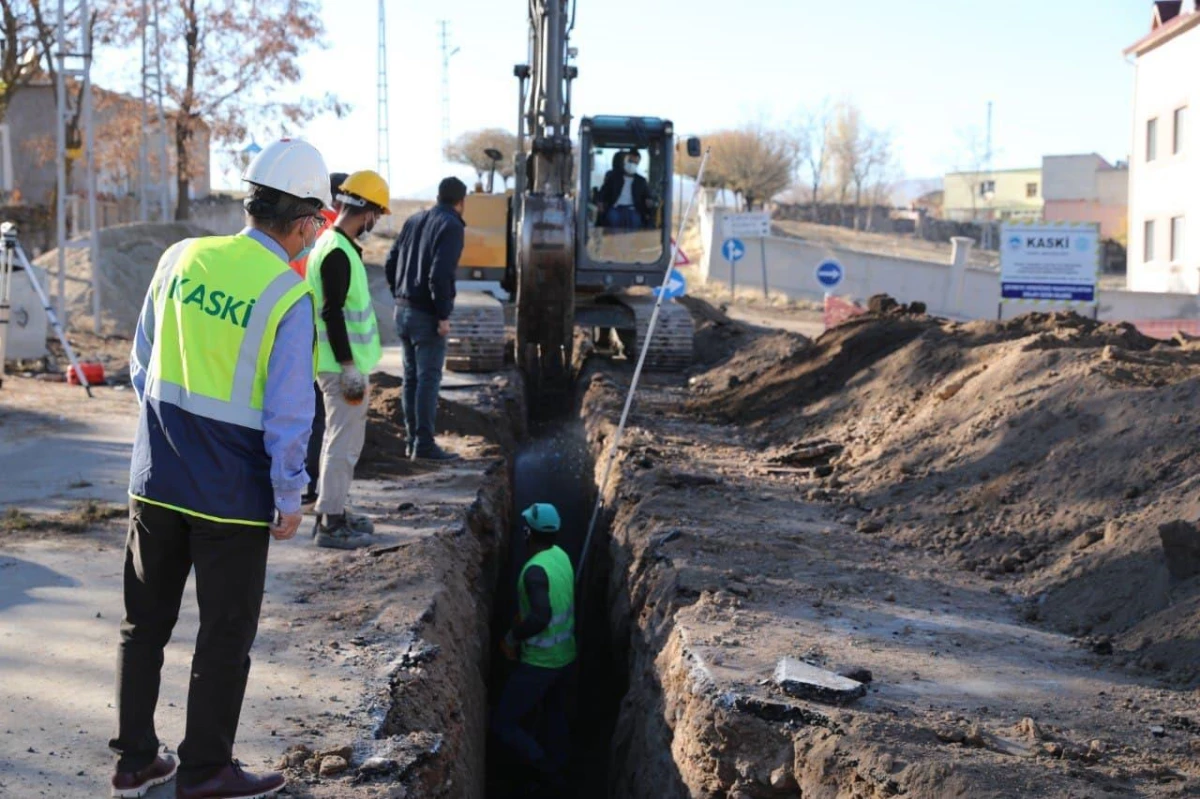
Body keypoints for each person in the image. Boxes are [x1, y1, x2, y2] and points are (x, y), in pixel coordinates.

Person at [110, 137, 329, 799]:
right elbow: (291, 409)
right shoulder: (287, 294)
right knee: (224, 634)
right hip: (232, 497)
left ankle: (135, 759)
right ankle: (205, 768)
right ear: (303, 223)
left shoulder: (181, 257)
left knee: (143, 624)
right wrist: (290, 491)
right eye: (316, 227)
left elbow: (139, 366)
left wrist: (167, 435)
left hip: (155, 481)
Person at [307, 169, 390, 548]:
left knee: (338, 440)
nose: (375, 222)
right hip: (341, 368)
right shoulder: (337, 251)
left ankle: (332, 509)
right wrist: (348, 367)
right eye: (377, 214)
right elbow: (332, 312)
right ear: (368, 212)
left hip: (338, 364)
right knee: (342, 443)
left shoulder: (332, 244)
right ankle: (330, 523)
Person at [491, 503, 576, 794]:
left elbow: (541, 616)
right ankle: (560, 771)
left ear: (528, 532)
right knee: (554, 716)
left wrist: (513, 638)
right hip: (565, 657)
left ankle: (545, 770)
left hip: (540, 663)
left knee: (503, 724)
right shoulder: (561, 556)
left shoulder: (534, 571)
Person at [384, 176, 467, 462]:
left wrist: (400, 294)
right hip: (426, 315)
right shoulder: (452, 226)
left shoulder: (414, 220)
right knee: (428, 380)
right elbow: (440, 275)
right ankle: (424, 445)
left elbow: (390, 261)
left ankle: (412, 443)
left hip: (402, 310)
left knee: (411, 379)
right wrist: (443, 315)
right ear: (461, 202)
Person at [291, 171, 347, 512]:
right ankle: (311, 489)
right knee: (317, 419)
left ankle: (299, 486)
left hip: (293, 320)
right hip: (314, 332)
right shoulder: (329, 231)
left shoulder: (301, 223)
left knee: (297, 412)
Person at [597, 149, 651, 230]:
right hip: (616, 208)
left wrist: (649, 202)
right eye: (630, 161)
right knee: (613, 218)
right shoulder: (614, 177)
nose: (632, 164)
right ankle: (612, 241)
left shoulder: (641, 181)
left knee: (635, 220)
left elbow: (647, 196)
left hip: (633, 209)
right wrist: (600, 202)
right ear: (625, 161)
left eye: (635, 163)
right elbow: (603, 192)